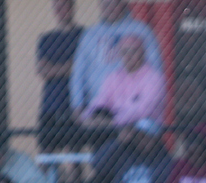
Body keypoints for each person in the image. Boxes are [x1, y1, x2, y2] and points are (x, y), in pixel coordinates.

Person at [69, 0, 162, 118]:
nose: (109, 6)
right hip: (96, 110)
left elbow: (156, 70)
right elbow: (78, 73)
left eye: (113, 2)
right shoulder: (89, 35)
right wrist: (77, 106)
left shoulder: (141, 31)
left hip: (132, 111)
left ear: (123, 3)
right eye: (105, 3)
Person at [81, 35, 166, 129]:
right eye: (124, 52)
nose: (128, 56)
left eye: (133, 51)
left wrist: (114, 122)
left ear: (143, 53)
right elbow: (101, 100)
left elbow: (144, 110)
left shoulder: (154, 78)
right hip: (112, 127)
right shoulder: (114, 76)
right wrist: (87, 117)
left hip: (141, 130)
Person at [36, 0, 82, 152]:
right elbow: (43, 71)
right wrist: (68, 67)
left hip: (76, 104)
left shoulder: (84, 35)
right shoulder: (46, 39)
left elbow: (81, 68)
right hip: (51, 104)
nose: (62, 10)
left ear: (72, 6)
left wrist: (54, 69)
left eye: (65, 5)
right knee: (46, 152)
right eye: (58, 6)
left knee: (74, 154)